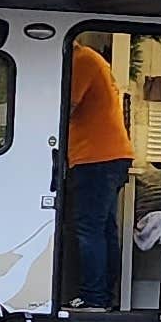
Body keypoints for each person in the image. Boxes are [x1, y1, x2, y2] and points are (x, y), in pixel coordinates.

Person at [64, 41, 136, 306]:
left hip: (95, 157)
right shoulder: (92, 60)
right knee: (104, 229)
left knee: (88, 229)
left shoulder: (81, 60)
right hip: (110, 156)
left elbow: (64, 108)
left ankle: (93, 298)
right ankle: (104, 296)